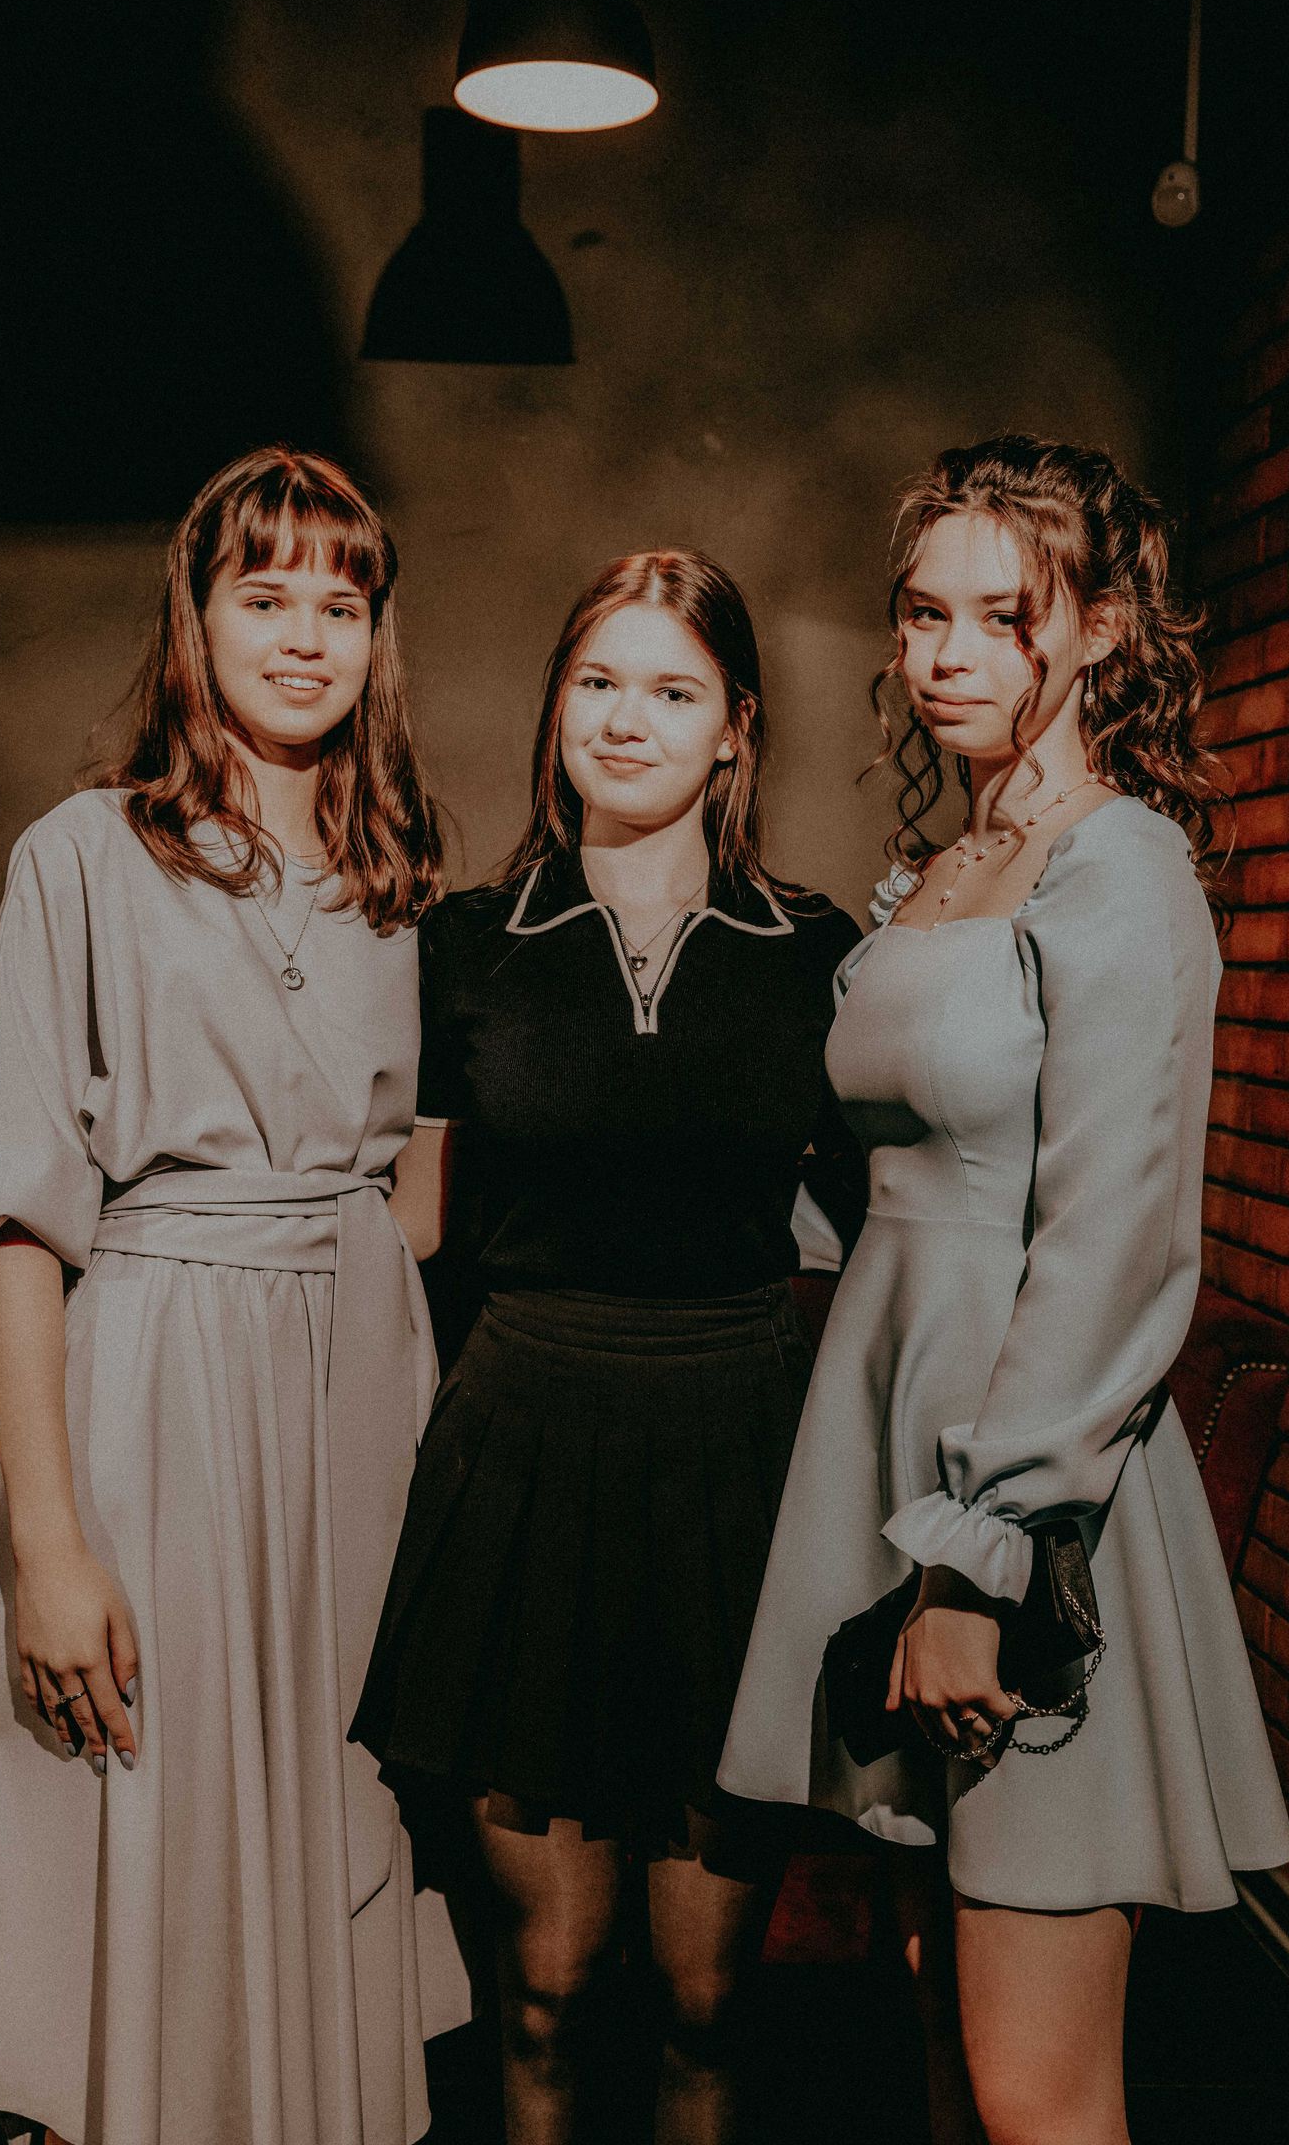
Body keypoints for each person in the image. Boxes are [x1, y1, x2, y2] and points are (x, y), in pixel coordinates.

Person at [718, 435, 1289, 2145]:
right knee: (935, 2028)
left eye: (1001, 614)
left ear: (1104, 629)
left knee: (1036, 2094)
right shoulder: (948, 869)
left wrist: (985, 1556)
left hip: (1029, 1498)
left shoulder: (1123, 867)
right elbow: (877, 1184)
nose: (947, 654)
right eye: (922, 614)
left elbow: (1116, 1238)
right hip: (893, 1446)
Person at [0, 446, 450, 2145]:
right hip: (159, 1398)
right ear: (194, 617)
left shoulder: (394, 875)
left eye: (341, 604)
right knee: (153, 1844)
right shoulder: (84, 854)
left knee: (334, 1828)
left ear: (377, 637)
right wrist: (48, 1544)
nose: (304, 636)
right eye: (263, 595)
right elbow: (16, 1226)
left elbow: (412, 1186)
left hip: (356, 1407)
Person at [351, 549, 867, 2145]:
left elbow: (899, 1235)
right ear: (554, 703)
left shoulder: (815, 949)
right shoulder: (461, 943)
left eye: (671, 689)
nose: (626, 719)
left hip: (741, 1470)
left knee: (709, 2003)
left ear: (736, 728)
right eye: (597, 681)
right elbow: (400, 1230)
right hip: (521, 1464)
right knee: (548, 1988)